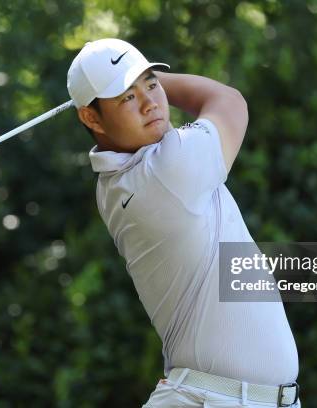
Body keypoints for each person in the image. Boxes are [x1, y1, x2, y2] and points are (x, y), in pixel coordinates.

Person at [67, 38, 301, 408]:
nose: (150, 103)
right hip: (214, 398)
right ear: (91, 117)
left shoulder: (114, 183)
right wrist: (155, 76)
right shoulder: (167, 169)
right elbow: (230, 101)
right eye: (127, 97)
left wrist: (125, 80)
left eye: (151, 84)